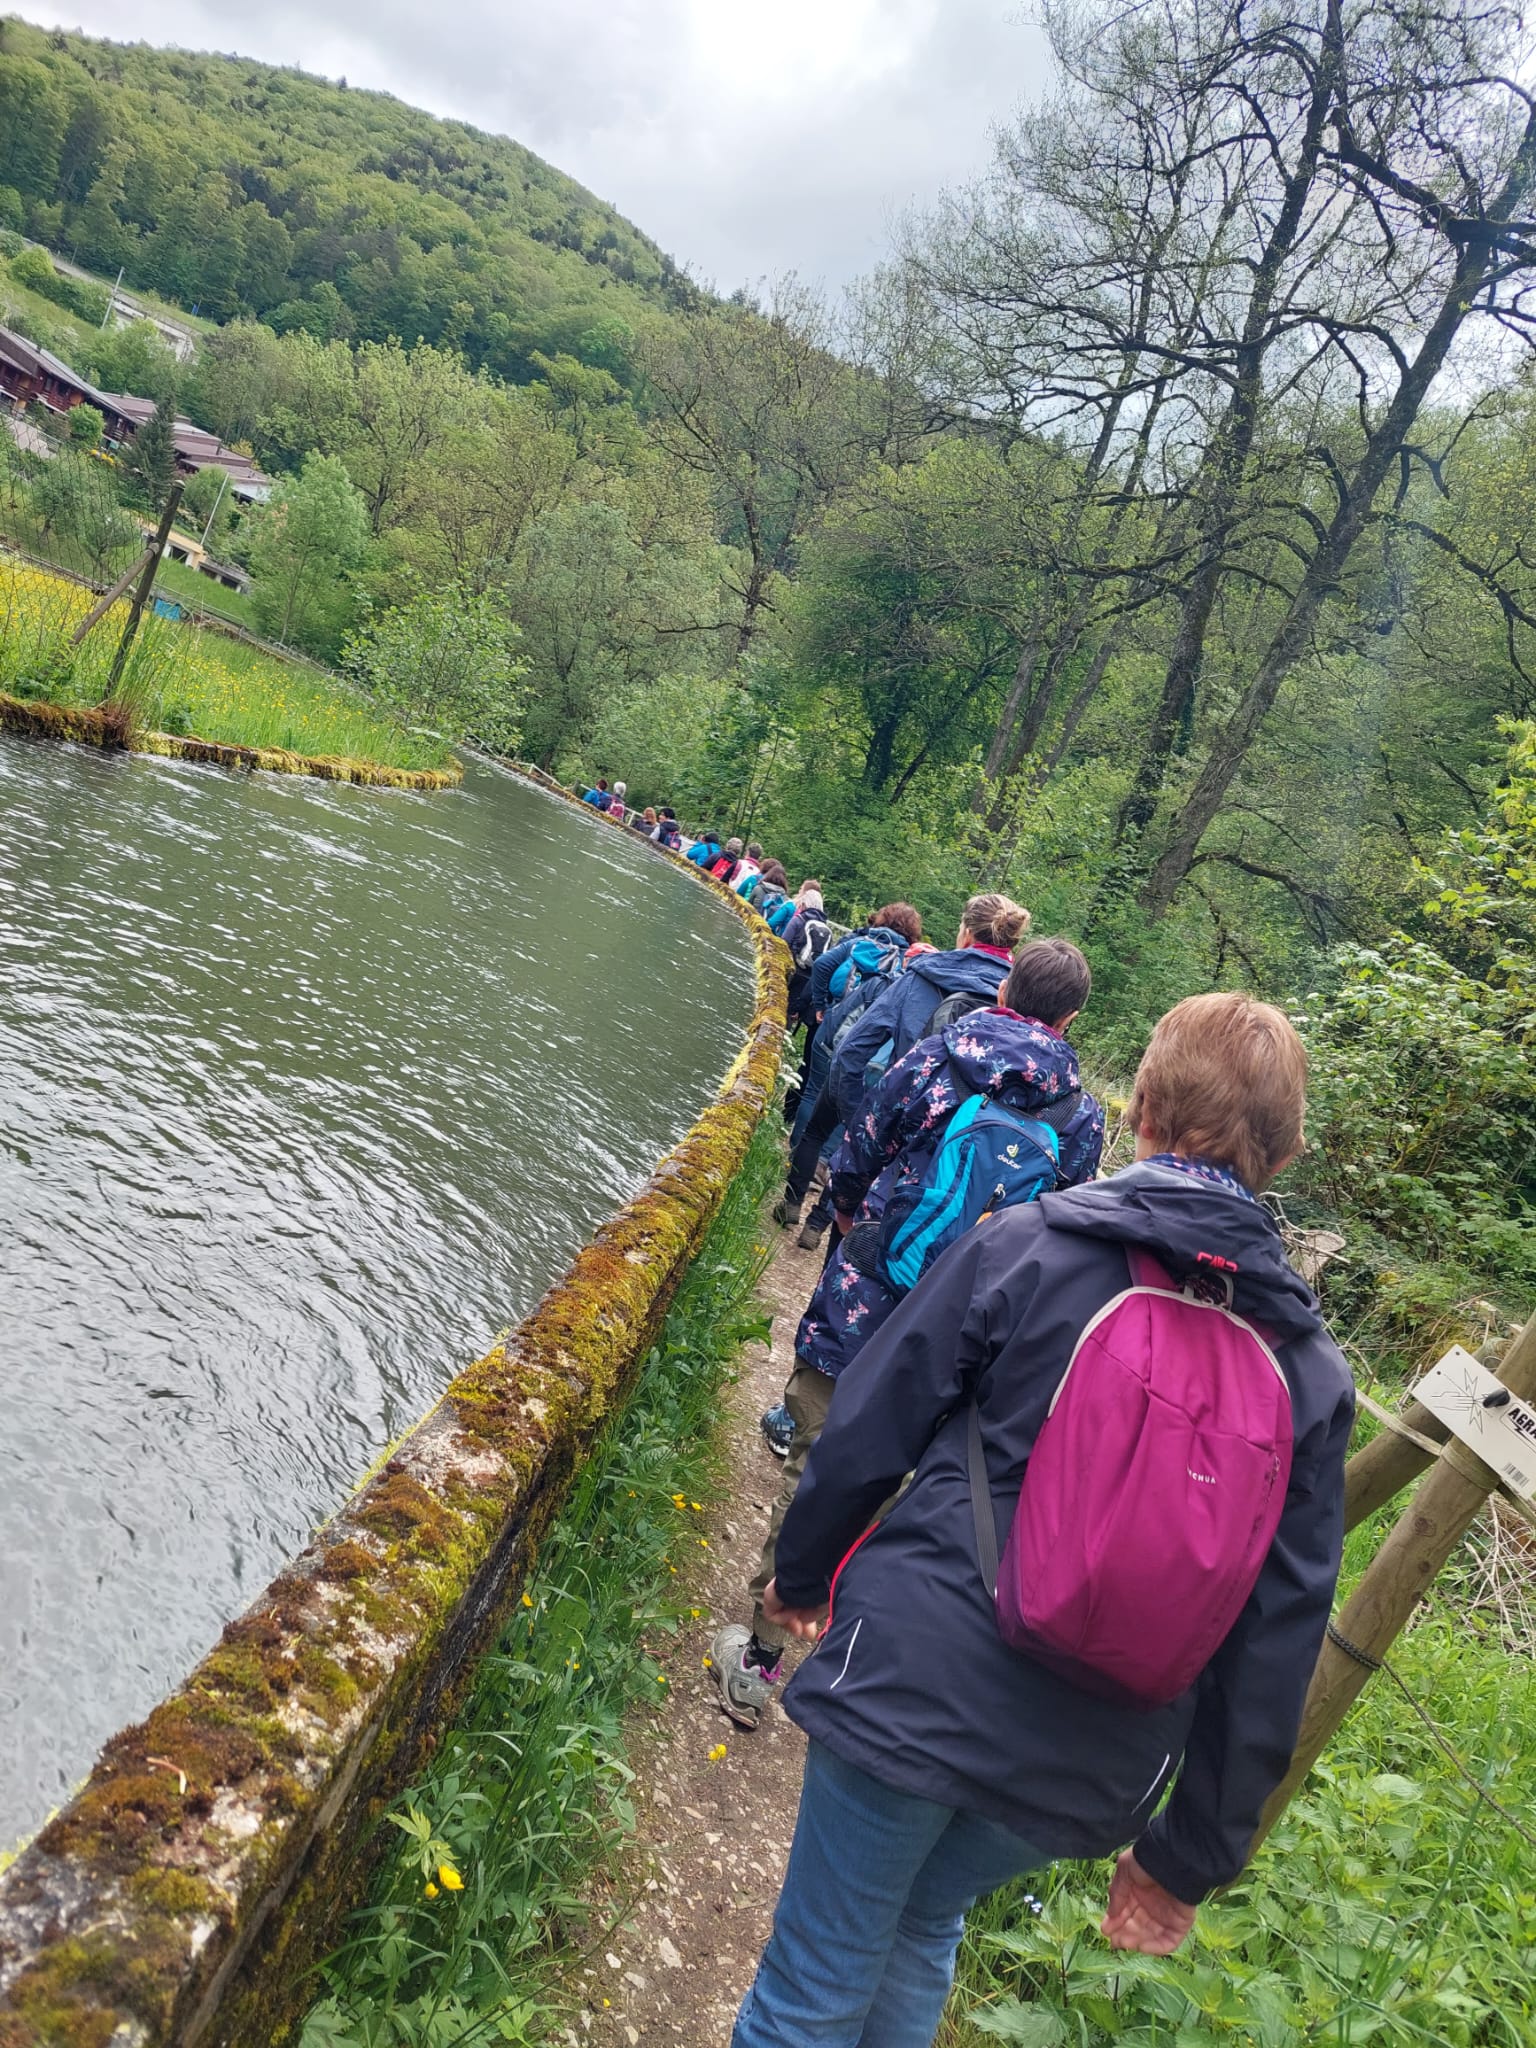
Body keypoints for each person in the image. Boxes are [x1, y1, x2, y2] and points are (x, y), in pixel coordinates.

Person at [730, 993, 1354, 2048]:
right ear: (1280, 1161)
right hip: (1097, 1753)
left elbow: (874, 1421)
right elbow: (1280, 1634)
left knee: (816, 1977)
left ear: (1142, 1106)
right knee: (926, 1923)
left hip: (916, 1675)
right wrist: (1187, 1855)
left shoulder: (1032, 1246)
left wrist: (799, 1574)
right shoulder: (1311, 1374)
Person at [719, 941, 1105, 1733]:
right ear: (1070, 1019)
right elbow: (1066, 1235)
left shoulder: (940, 1057)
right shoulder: (1079, 1115)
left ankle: (759, 1660)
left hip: (871, 1298)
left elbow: (856, 1151)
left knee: (819, 1456)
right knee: (904, 1491)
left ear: (1004, 989)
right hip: (970, 1333)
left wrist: (855, 1233)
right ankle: (843, 1657)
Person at [827, 892, 1030, 1126]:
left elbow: (850, 1052)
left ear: (967, 934)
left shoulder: (921, 976)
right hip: (964, 1147)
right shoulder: (1023, 1000)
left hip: (898, 1127)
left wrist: (862, 1122)